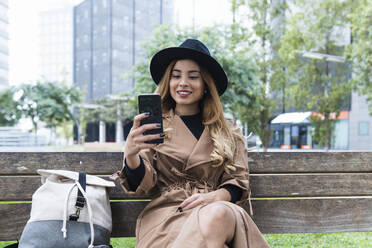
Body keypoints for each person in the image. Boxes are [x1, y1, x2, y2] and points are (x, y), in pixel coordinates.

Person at [112, 39, 270, 248]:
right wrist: (131, 155)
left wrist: (214, 197)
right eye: (176, 76)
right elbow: (144, 185)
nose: (183, 83)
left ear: (205, 84)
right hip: (170, 215)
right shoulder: (154, 126)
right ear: (168, 81)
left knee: (218, 214)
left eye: (193, 76)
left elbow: (238, 182)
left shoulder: (228, 130)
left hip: (217, 209)